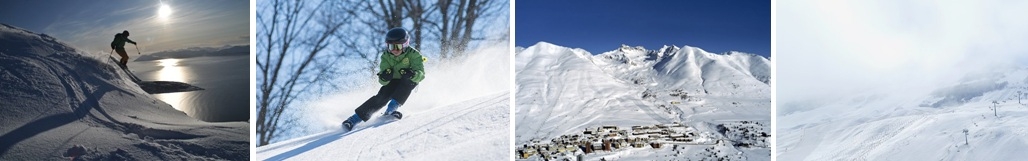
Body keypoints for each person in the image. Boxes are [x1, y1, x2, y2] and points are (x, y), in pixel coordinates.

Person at [342, 27, 425, 130]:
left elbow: (421, 74)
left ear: (405, 44)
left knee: (407, 83)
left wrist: (413, 74)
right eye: (391, 46)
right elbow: (382, 81)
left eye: (398, 46)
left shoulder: (414, 55)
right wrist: (385, 76)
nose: (394, 50)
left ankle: (391, 109)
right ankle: (354, 119)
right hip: (393, 80)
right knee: (382, 96)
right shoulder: (386, 56)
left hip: (408, 79)